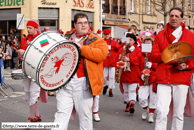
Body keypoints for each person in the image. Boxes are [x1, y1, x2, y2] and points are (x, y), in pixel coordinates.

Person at [52, 13, 108, 130]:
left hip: (83, 83)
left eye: (86, 23)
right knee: (61, 114)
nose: (84, 25)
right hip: (65, 82)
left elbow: (101, 55)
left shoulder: (97, 39)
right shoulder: (66, 37)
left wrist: (81, 48)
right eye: (80, 23)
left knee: (85, 116)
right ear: (75, 24)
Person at [150, 7, 194, 130]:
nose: (173, 18)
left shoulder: (191, 36)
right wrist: (167, 56)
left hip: (181, 78)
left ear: (182, 18)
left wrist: (187, 65)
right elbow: (153, 56)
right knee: (161, 111)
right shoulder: (160, 34)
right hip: (163, 78)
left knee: (178, 114)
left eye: (176, 16)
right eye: (171, 16)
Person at [17, 20, 48, 122]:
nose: (28, 30)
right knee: (27, 93)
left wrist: (24, 52)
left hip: (37, 71)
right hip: (26, 70)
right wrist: (20, 56)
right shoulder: (24, 40)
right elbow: (20, 57)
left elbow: (44, 55)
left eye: (30, 28)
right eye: (27, 28)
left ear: (36, 28)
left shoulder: (43, 39)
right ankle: (37, 115)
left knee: (34, 93)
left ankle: (31, 117)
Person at [117, 33, 141, 114]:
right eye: (128, 40)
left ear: (134, 41)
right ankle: (127, 103)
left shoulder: (137, 49)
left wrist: (129, 59)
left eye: (131, 40)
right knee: (126, 90)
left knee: (132, 89)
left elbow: (138, 60)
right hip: (124, 72)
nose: (129, 41)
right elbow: (118, 58)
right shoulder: (122, 49)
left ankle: (132, 104)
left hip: (133, 72)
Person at [137, 37, 157, 123]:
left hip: (153, 78)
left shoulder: (155, 54)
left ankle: (151, 114)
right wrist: (140, 75)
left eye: (149, 43)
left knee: (153, 98)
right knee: (141, 97)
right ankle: (145, 110)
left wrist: (152, 65)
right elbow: (137, 67)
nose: (147, 44)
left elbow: (159, 66)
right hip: (143, 78)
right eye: (146, 43)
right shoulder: (140, 54)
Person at [102, 29, 120, 97]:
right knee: (104, 76)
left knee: (112, 77)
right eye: (105, 35)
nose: (106, 36)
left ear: (110, 35)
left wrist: (113, 46)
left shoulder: (114, 42)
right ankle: (105, 85)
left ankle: (110, 90)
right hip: (104, 61)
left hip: (112, 61)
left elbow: (118, 48)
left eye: (108, 34)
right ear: (103, 35)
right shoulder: (102, 42)